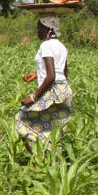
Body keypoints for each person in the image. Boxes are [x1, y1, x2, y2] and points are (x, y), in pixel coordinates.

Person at [15, 15, 73, 157]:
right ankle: (57, 163)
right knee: (54, 129)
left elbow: (52, 75)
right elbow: (62, 72)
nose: (37, 31)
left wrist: (33, 97)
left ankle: (37, 159)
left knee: (20, 119)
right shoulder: (61, 46)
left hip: (52, 90)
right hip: (64, 90)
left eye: (38, 28)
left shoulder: (46, 46)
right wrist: (37, 74)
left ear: (46, 28)